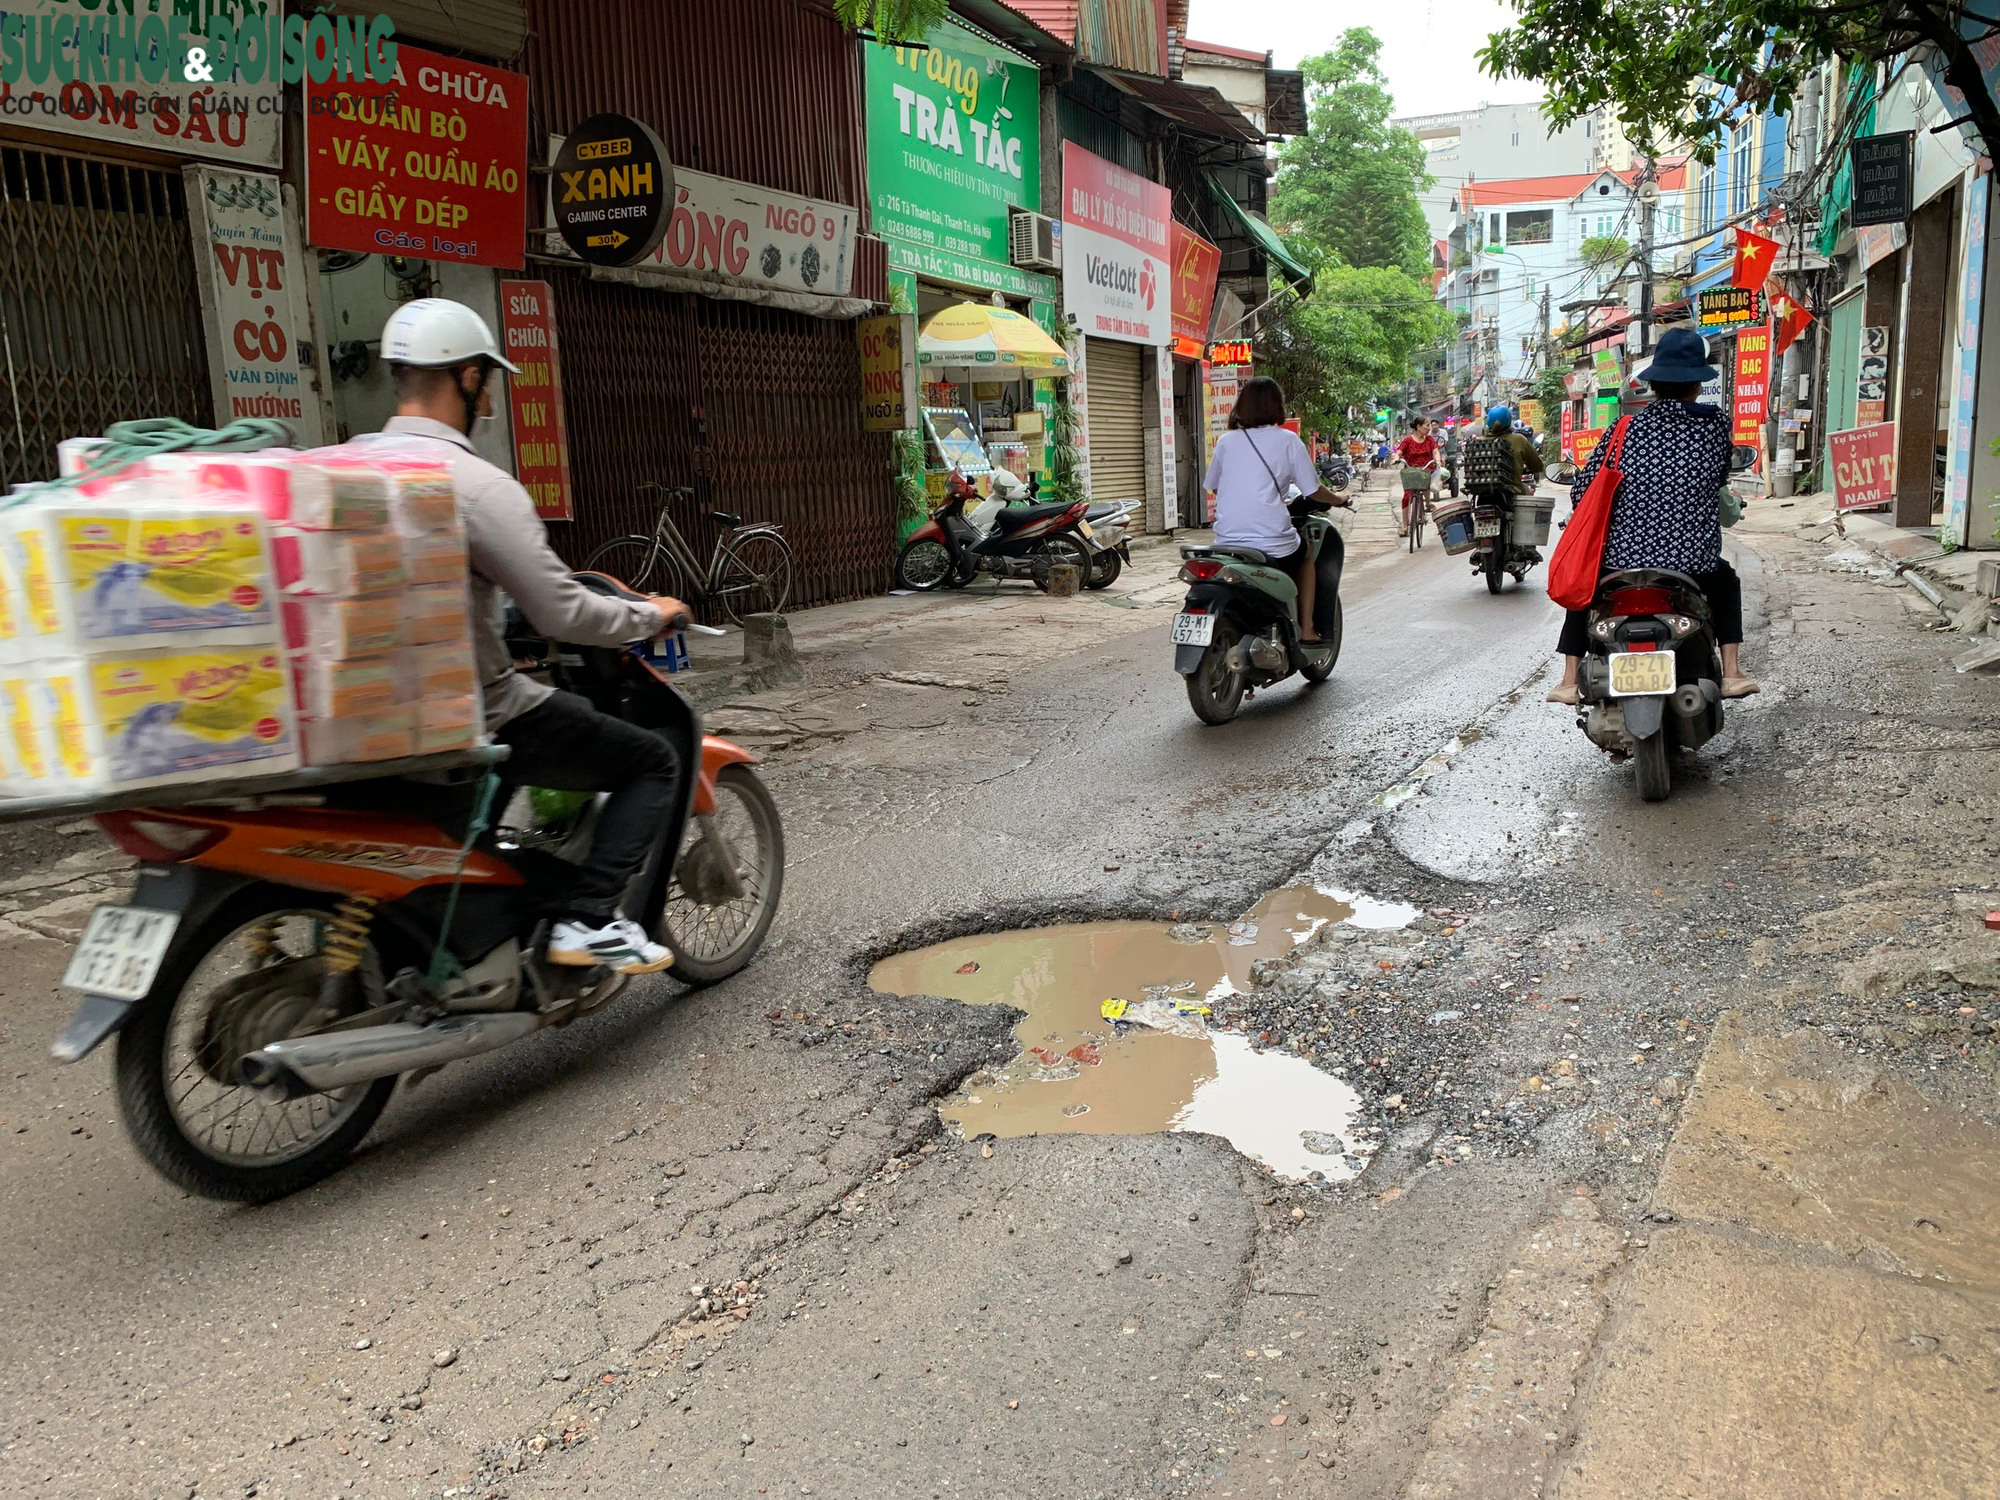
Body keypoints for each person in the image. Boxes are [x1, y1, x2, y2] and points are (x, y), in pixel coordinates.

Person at [348, 299, 690, 975]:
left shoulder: (333, 468)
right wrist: (649, 615)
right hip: (466, 711)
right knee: (652, 761)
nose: (492, 393)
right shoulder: (475, 485)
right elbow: (563, 611)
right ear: (470, 377)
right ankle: (590, 920)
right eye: (490, 381)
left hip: (352, 713)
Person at [1545, 327, 1760, 706]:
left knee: (1584, 594)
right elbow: (1718, 477)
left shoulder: (1624, 428)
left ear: (1654, 383)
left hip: (1620, 562)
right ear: (1697, 384)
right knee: (1726, 584)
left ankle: (1566, 680)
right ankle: (1731, 673)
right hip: (1694, 563)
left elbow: (1583, 491)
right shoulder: (1713, 424)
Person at [1202, 376, 1350, 643]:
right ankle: (1306, 629)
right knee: (1305, 556)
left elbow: (1213, 487)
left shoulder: (1226, 441)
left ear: (1241, 406)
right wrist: (1338, 498)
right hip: (1271, 542)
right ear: (1277, 406)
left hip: (1226, 542)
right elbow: (1313, 490)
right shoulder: (1288, 440)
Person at [1394, 418, 1441, 537]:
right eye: (1427, 425)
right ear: (1419, 427)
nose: (1429, 427)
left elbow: (1435, 452)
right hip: (1411, 471)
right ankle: (1405, 526)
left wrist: (1438, 460)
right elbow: (1399, 452)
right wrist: (1396, 458)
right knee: (1406, 497)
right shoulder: (1408, 441)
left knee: (1426, 483)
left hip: (1426, 469)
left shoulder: (1430, 440)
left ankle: (1428, 503)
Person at [1440, 420, 1463, 497]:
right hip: (1433, 453)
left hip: (1443, 453)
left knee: (1449, 460)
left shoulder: (1448, 437)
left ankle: (1444, 474)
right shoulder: (1429, 436)